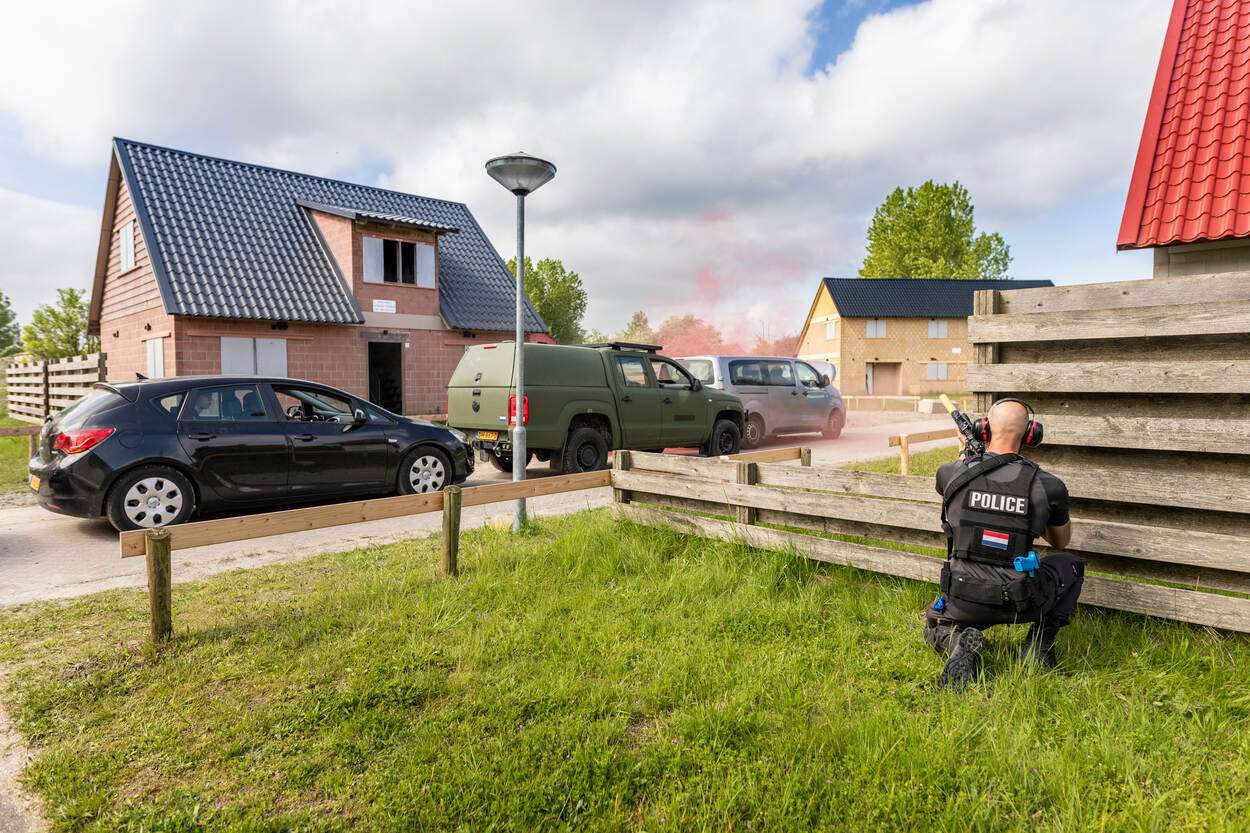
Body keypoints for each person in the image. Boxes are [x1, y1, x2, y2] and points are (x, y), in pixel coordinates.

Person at [924, 398, 1084, 689]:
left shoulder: (950, 474)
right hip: (1022, 600)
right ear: (1031, 434)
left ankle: (958, 643)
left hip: (963, 597)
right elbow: (1061, 541)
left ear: (983, 429)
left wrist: (965, 453)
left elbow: (958, 495)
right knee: (1070, 565)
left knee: (934, 621)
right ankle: (1039, 648)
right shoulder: (1049, 486)